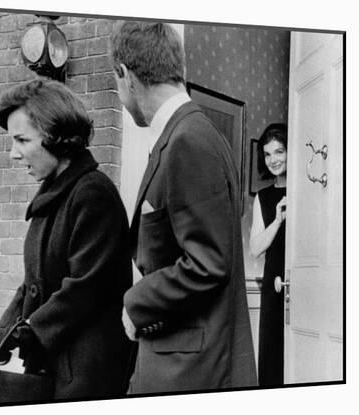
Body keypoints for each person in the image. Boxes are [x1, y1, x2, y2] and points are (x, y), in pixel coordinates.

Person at [110, 21, 257, 393]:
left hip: (190, 369)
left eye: (116, 83)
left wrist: (136, 302)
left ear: (126, 75)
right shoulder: (189, 133)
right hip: (180, 360)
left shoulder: (187, 140)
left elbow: (208, 263)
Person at [0, 79, 133, 400]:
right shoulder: (53, 195)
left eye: (21, 140)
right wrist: (4, 331)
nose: (14, 155)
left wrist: (24, 335)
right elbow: (32, 285)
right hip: (54, 365)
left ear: (56, 138)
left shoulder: (92, 193)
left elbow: (86, 287)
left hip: (86, 372)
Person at [249, 123, 287, 386]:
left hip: (300, 281)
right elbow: (255, 248)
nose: (273, 160)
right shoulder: (262, 197)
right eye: (267, 154)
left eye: (279, 151)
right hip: (273, 284)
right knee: (272, 360)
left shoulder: (309, 190)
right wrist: (277, 221)